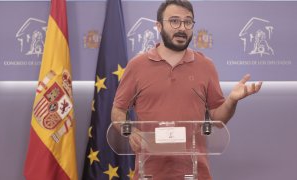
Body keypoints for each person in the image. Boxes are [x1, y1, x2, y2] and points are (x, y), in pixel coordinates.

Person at [111, 0, 262, 179]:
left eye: (188, 22)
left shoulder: (206, 66)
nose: (182, 27)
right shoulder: (136, 66)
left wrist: (231, 101)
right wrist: (129, 130)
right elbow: (118, 111)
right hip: (149, 173)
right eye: (174, 21)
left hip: (196, 173)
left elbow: (217, 118)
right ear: (158, 26)